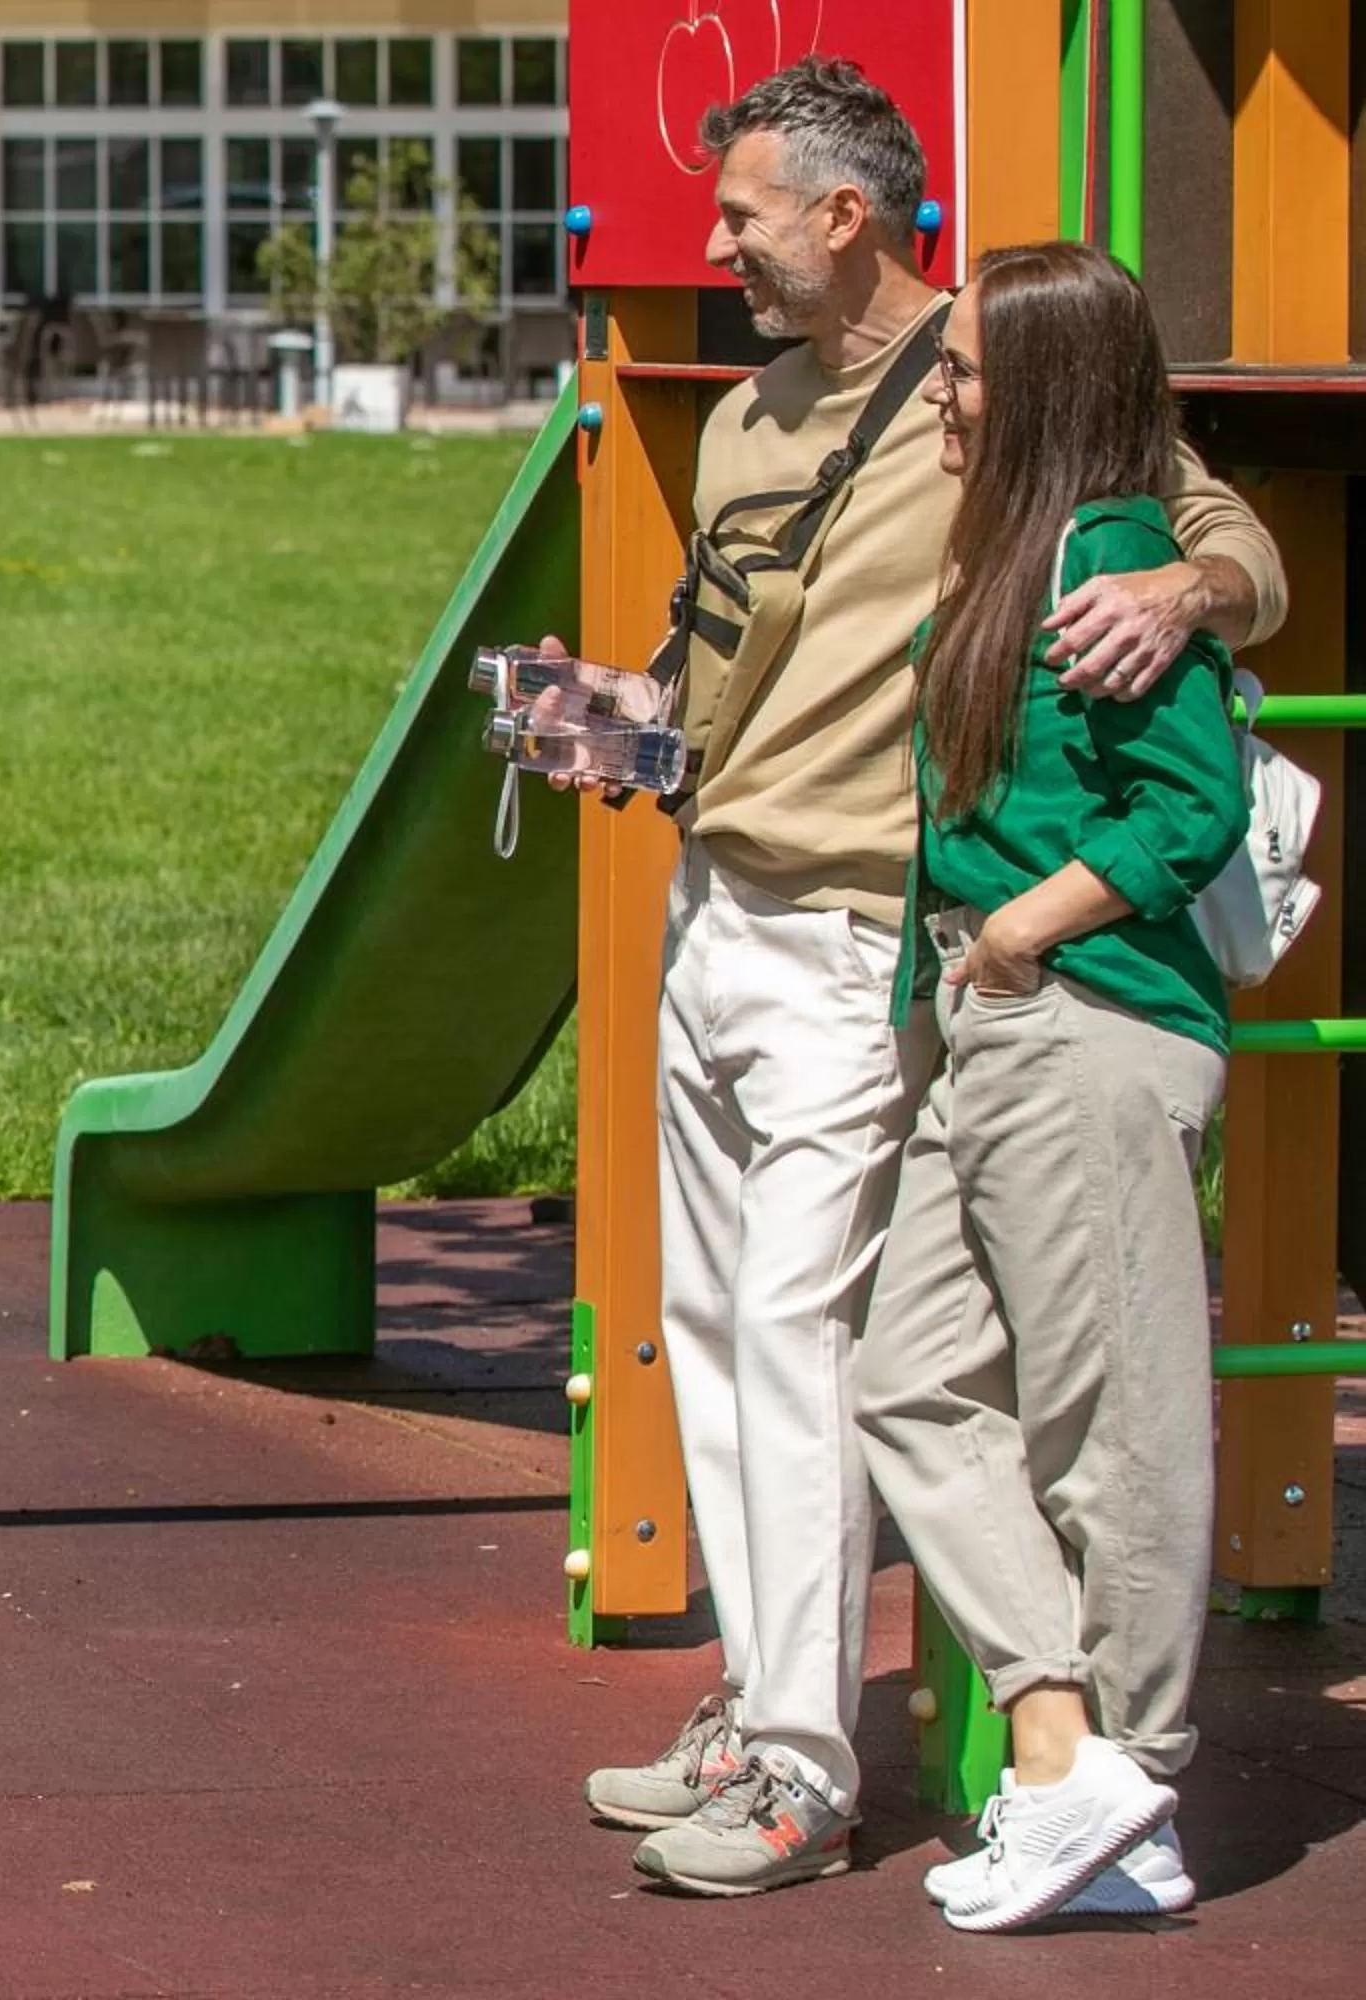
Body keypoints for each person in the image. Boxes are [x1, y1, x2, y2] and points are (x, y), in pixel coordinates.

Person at [570, 59, 1288, 1898]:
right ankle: (765, 1699)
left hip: (872, 937)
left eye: (741, 212)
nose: (713, 242)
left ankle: (820, 1764)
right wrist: (636, 733)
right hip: (716, 899)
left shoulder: (1005, 397)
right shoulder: (742, 422)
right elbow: (740, 669)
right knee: (725, 1340)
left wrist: (1178, 607)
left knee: (830, 1343)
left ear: (845, 213)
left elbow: (1234, 555)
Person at [853, 241, 1242, 1932]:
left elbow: (1189, 804)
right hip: (996, 1016)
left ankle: (1131, 1777)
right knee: (911, 1374)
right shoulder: (1029, 546)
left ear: (1044, 394)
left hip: (1079, 1018)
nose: (939, 395)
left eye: (965, 376)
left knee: (1111, 1426)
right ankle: (1067, 1748)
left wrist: (1023, 924)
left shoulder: (1111, 552)